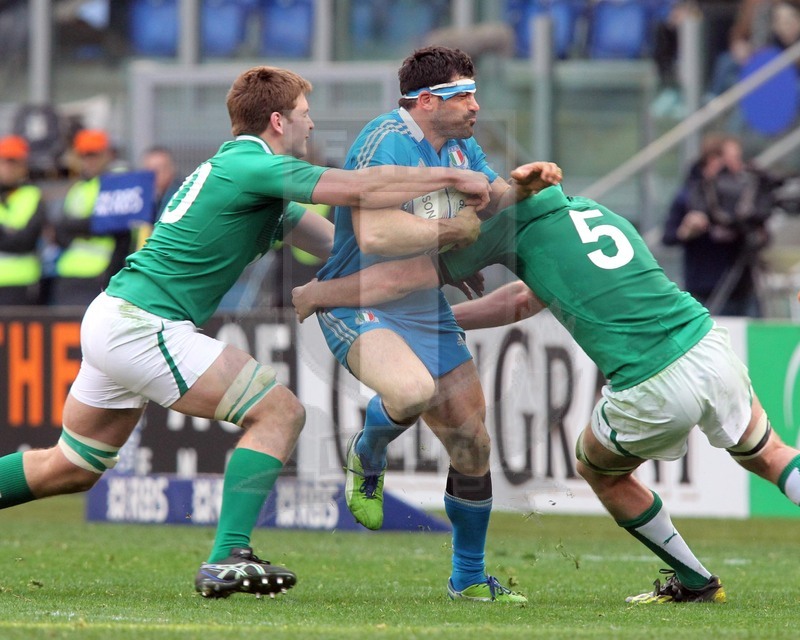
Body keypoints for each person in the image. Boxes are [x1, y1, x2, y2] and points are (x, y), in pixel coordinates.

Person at [0, 65, 492, 600]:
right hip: (143, 325)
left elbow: (339, 249)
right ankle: (227, 556)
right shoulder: (251, 163)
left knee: (70, 467)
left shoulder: (255, 183)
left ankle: (228, 555)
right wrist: (453, 178)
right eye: (305, 116)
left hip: (117, 318)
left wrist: (437, 256)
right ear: (277, 121)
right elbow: (360, 187)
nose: (311, 127)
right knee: (280, 411)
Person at [293, 181, 800, 604]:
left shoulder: (508, 227)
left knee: (598, 469)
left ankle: (695, 582)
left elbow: (406, 276)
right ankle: (695, 582)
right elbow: (520, 299)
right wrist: (450, 323)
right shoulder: (593, 213)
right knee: (770, 454)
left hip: (652, 382)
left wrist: (323, 293)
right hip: (708, 346)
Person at [314, 45, 561, 603]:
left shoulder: (461, 144)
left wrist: (521, 186)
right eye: (464, 94)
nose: (476, 105)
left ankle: (468, 580)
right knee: (412, 391)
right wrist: (455, 234)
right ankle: (368, 453)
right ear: (427, 101)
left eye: (475, 93)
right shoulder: (386, 141)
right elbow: (377, 237)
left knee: (473, 442)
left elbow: (488, 197)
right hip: (358, 299)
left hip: (422, 303)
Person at [663, 133, 772, 316]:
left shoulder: (744, 195)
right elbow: (668, 237)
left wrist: (757, 228)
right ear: (714, 160)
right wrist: (688, 230)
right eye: (734, 159)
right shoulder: (691, 194)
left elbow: (762, 236)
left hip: (744, 286)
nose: (739, 166)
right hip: (706, 289)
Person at [49, 128, 122, 307]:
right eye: (84, 155)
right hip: (69, 271)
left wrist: (76, 225)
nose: (88, 161)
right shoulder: (77, 189)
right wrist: (88, 225)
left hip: (100, 274)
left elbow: (111, 224)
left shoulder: (116, 184)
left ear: (107, 154)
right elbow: (60, 229)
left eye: (93, 154)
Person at [0, 134, 46, 306]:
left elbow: (25, 241)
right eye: (4, 161)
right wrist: (7, 232)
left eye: (13, 162)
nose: (7, 167)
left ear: (23, 166)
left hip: (20, 284)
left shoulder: (32, 195)